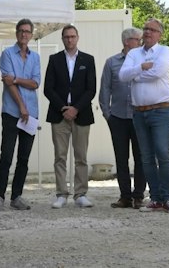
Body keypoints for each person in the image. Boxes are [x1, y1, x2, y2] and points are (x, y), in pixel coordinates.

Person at [118, 17, 169, 212]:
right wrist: (142, 67)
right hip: (139, 113)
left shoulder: (164, 51)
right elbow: (122, 76)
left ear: (160, 34)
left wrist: (136, 76)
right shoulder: (134, 53)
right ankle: (156, 198)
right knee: (146, 157)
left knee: (162, 152)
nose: (148, 32)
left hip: (160, 109)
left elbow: (158, 72)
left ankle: (167, 197)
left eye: (152, 29)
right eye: (145, 29)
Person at [44, 24, 98, 208]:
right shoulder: (54, 59)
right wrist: (64, 108)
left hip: (81, 115)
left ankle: (81, 193)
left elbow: (91, 89)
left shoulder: (88, 60)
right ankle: (61, 194)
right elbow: (48, 89)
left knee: (81, 156)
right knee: (60, 156)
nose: (70, 39)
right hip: (59, 115)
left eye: (73, 36)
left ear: (78, 37)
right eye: (66, 37)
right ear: (62, 39)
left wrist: (76, 108)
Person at [0, 18, 43, 211]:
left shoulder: (35, 58)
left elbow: (36, 83)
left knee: (24, 158)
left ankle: (17, 196)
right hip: (12, 112)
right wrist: (22, 106)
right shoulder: (6, 54)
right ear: (16, 33)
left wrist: (15, 78)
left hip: (31, 114)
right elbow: (9, 84)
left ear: (31, 35)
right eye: (21, 31)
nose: (24, 34)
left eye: (27, 31)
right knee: (6, 155)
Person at [100, 27, 146, 208]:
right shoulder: (112, 63)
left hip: (139, 116)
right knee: (121, 158)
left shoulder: (144, 61)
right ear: (127, 42)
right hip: (118, 117)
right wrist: (108, 115)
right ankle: (125, 196)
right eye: (137, 39)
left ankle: (139, 196)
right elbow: (104, 90)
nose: (140, 43)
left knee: (141, 157)